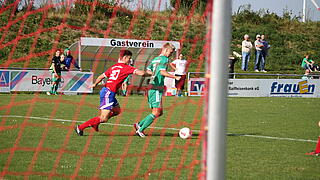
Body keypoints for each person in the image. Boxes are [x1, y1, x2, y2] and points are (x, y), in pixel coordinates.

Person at [74, 50, 146, 136]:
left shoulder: (114, 67)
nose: (130, 60)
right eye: (129, 58)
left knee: (117, 110)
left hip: (108, 92)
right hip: (108, 93)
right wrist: (151, 73)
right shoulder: (125, 67)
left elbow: (101, 76)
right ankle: (80, 127)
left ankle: (96, 123)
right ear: (124, 58)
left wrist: (95, 84)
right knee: (103, 118)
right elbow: (141, 73)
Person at [134, 43, 181, 138]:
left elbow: (148, 71)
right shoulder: (164, 59)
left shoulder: (155, 59)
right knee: (157, 112)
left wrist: (153, 74)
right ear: (166, 50)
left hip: (152, 87)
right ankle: (140, 130)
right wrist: (174, 77)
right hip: (155, 88)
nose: (170, 55)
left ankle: (139, 124)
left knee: (159, 111)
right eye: (170, 52)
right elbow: (162, 72)